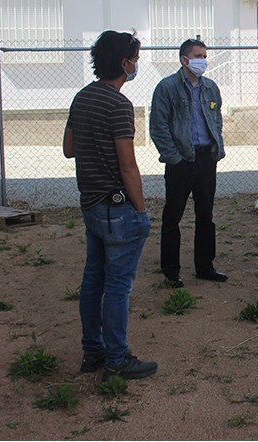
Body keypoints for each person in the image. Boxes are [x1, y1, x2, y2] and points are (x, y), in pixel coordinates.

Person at [63, 30, 157, 381]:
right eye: (135, 58)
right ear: (123, 63)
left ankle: (93, 352)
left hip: (90, 205)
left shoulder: (82, 97)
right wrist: (141, 211)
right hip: (117, 209)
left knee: (93, 282)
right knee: (118, 287)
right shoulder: (119, 105)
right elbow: (128, 165)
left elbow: (69, 148)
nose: (136, 65)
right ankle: (117, 360)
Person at [150, 39, 226, 288]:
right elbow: (159, 128)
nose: (202, 60)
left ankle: (205, 266)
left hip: (206, 159)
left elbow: (216, 120)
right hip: (181, 161)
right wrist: (174, 157)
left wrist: (216, 149)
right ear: (184, 59)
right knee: (173, 216)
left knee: (206, 215)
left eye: (204, 55)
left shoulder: (210, 87)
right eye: (197, 55)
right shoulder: (167, 88)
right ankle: (171, 271)